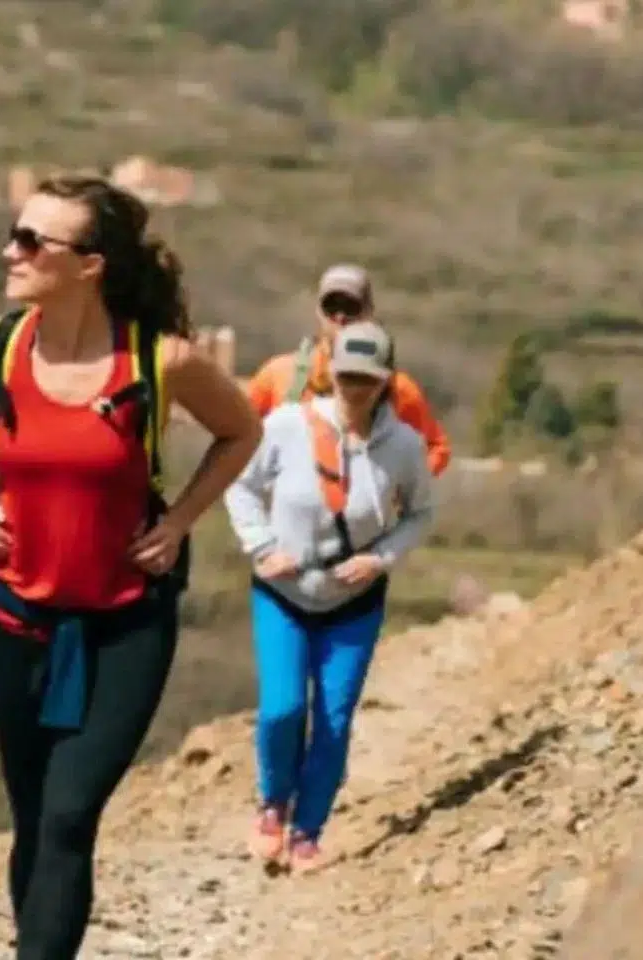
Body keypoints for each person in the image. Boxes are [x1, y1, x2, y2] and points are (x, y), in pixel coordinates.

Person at [0, 174, 261, 959]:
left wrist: (179, 521)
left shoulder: (161, 362)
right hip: (17, 614)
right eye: (16, 234)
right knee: (37, 813)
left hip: (126, 621)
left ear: (90, 265)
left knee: (72, 814)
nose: (13, 252)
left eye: (35, 242)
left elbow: (240, 433)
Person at [223, 320, 435, 870]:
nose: (354, 387)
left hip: (353, 603)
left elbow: (420, 513)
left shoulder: (404, 447)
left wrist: (380, 557)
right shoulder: (287, 426)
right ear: (329, 374)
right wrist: (262, 546)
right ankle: (273, 803)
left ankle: (308, 831)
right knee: (283, 708)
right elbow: (239, 485)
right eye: (345, 376)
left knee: (334, 719)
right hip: (283, 592)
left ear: (385, 382)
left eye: (366, 378)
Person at [246, 264, 452, 477]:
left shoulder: (396, 388)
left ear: (369, 312)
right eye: (331, 306)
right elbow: (237, 437)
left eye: (351, 307)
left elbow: (436, 448)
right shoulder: (278, 375)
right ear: (318, 311)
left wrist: (403, 489)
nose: (340, 317)